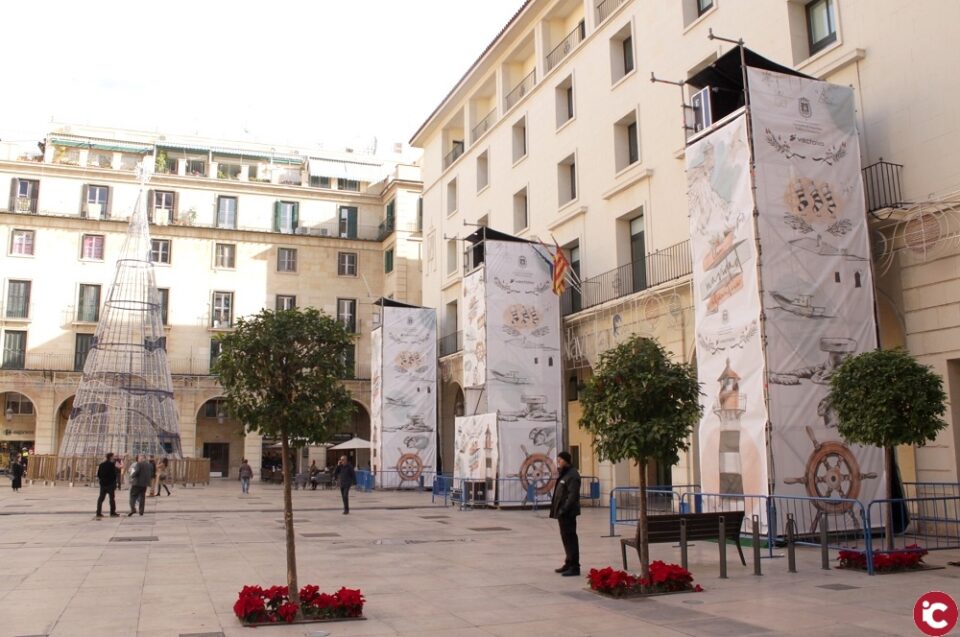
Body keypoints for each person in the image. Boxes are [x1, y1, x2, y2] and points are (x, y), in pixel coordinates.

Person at [549, 451, 581, 576]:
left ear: (566, 461)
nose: (558, 462)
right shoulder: (565, 473)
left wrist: (564, 509)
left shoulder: (572, 475)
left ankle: (574, 566)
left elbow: (572, 495)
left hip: (568, 512)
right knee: (566, 538)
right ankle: (568, 562)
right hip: (562, 512)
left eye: (560, 460)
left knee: (571, 538)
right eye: (558, 460)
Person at [96, 452, 119, 518]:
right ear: (111, 457)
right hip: (110, 484)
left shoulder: (101, 465)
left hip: (103, 484)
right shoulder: (112, 465)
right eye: (113, 456)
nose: (114, 457)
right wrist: (114, 483)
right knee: (112, 499)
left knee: (101, 499)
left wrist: (102, 481)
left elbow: (99, 475)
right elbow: (114, 475)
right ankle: (112, 512)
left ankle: (98, 512)